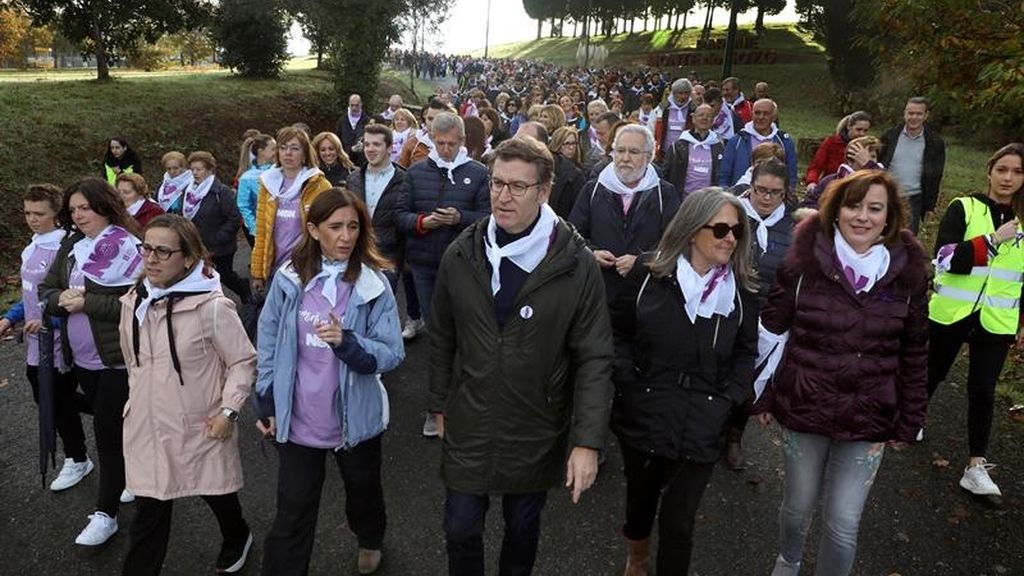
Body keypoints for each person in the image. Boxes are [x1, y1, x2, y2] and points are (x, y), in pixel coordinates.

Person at [428, 137, 613, 576]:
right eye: (496, 183)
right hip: (470, 417)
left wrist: (587, 441)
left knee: (522, 530)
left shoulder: (574, 263)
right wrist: (438, 403)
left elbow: (595, 356)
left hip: (535, 423)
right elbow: (441, 336)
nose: (502, 196)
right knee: (460, 529)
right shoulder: (462, 253)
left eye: (517, 186)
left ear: (544, 191)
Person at [754, 170, 928, 576]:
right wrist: (761, 395)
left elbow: (915, 352)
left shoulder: (908, 277)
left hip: (869, 417)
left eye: (874, 208)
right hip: (805, 407)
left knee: (843, 523)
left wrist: (911, 418)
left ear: (890, 218)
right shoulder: (802, 265)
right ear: (835, 211)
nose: (862, 217)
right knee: (797, 508)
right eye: (853, 205)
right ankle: (789, 559)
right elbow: (771, 331)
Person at [254, 189, 404, 576]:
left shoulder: (373, 285)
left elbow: (392, 352)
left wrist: (348, 343)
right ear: (313, 229)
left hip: (354, 421)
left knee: (363, 494)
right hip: (298, 420)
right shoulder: (288, 279)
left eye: (353, 226)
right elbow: (268, 339)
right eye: (335, 226)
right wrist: (266, 402)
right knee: (292, 512)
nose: (346, 236)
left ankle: (370, 536)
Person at [613, 188, 758, 575]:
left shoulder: (740, 291)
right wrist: (628, 382)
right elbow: (618, 333)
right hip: (645, 410)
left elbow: (747, 352)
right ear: (693, 230)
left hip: (704, 419)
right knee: (640, 503)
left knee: (679, 522)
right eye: (722, 229)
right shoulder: (649, 274)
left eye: (738, 231)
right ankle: (637, 558)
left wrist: (731, 396)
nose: (731, 238)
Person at [119, 214, 256, 575]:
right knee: (150, 512)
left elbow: (242, 361)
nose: (151, 258)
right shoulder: (134, 300)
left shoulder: (212, 307)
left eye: (163, 251)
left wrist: (229, 412)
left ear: (189, 258)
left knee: (214, 489)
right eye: (146, 248)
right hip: (148, 424)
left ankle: (238, 535)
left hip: (199, 424)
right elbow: (133, 360)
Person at [40, 177, 144, 546]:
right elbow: (46, 291)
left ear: (104, 205)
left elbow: (138, 304)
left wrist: (88, 303)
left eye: (85, 208)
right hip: (80, 358)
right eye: (73, 210)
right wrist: (61, 299)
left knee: (107, 436)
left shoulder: (129, 247)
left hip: (116, 359)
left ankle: (106, 515)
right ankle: (132, 474)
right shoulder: (71, 246)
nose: (79, 216)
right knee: (113, 423)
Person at [926, 142, 1024, 504]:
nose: (1008, 178)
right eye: (1002, 170)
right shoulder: (963, 207)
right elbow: (947, 259)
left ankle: (976, 467)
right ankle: (910, 421)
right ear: (989, 172)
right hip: (953, 312)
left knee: (983, 389)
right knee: (932, 372)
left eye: (1016, 172)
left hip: (997, 319)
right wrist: (992, 241)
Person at [395, 112, 490, 438]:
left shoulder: (479, 174)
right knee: (438, 336)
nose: (446, 149)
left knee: (465, 335)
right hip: (424, 265)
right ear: (432, 140)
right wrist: (423, 223)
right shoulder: (416, 172)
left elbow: (490, 219)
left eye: (452, 144)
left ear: (463, 142)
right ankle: (437, 408)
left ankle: (466, 403)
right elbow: (400, 216)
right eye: (440, 143)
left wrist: (459, 217)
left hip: (466, 268)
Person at [0, 184, 91, 493]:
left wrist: (49, 322)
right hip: (36, 343)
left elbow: (67, 298)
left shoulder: (64, 249)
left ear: (56, 213)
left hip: (59, 343)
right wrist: (10, 318)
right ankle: (114, 415)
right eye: (27, 213)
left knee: (57, 401)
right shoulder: (34, 245)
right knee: (49, 399)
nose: (32, 219)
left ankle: (77, 458)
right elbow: (30, 293)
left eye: (39, 213)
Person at [570, 124, 680, 338]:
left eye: (634, 152)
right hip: (600, 296)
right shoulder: (592, 189)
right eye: (620, 151)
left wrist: (640, 262)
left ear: (649, 157)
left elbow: (674, 242)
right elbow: (573, 234)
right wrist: (592, 253)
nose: (625, 158)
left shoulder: (664, 194)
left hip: (647, 297)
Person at [724, 160, 795, 471]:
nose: (766, 198)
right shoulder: (730, 214)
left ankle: (734, 437)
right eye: (761, 190)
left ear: (785, 194)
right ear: (750, 187)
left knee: (747, 377)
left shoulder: (793, 227)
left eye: (775, 193)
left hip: (766, 317)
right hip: (727, 307)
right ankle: (708, 427)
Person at [250, 126, 333, 296]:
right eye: (283, 147)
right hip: (275, 271)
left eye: (294, 148)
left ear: (304, 154)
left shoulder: (319, 185)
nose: (288, 153)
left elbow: (329, 230)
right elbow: (261, 233)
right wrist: (258, 273)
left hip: (306, 270)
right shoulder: (267, 184)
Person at [179, 151, 251, 305]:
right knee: (203, 277)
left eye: (199, 169)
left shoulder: (221, 192)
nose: (195, 173)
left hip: (220, 246)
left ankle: (243, 289)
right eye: (192, 170)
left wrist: (219, 237)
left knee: (225, 276)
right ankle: (212, 306)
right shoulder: (188, 192)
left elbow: (234, 218)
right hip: (197, 245)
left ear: (210, 170)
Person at [347, 124, 408, 297]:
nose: (370, 149)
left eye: (376, 144)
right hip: (356, 253)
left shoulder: (405, 180)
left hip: (388, 255)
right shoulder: (353, 179)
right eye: (367, 144)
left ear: (390, 148)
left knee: (382, 308)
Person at [880, 96, 946, 234]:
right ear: (904, 113)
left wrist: (930, 206)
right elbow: (878, 163)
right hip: (886, 194)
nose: (914, 117)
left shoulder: (935, 143)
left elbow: (936, 175)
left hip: (913, 198)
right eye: (910, 113)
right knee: (880, 232)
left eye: (918, 114)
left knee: (906, 238)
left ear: (926, 115)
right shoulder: (889, 136)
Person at [719, 99, 797, 189]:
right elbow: (724, 175)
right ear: (752, 114)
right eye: (757, 113)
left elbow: (791, 176)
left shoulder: (784, 142)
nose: (761, 117)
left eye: (766, 113)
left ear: (774, 117)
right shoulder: (736, 141)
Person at [801, 136, 884, 209]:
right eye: (863, 157)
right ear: (850, 160)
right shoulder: (831, 180)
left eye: (873, 157)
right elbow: (809, 204)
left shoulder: (882, 182)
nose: (869, 160)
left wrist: (869, 165)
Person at [662, 103, 723, 199]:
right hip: (682, 201)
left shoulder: (719, 146)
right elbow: (665, 174)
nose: (704, 118)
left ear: (713, 121)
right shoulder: (678, 146)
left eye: (709, 116)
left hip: (709, 202)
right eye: (701, 115)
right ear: (693, 119)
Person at [805, 111, 872, 195]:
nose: (861, 134)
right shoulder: (831, 143)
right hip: (830, 188)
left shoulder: (867, 148)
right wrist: (811, 182)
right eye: (858, 129)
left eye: (865, 131)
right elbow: (816, 166)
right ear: (848, 127)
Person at [237, 134, 277, 246]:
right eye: (273, 149)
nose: (277, 152)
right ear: (261, 151)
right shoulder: (247, 178)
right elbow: (244, 206)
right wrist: (255, 229)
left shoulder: (282, 171)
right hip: (262, 230)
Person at [398, 99, 450, 168]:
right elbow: (401, 173)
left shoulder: (455, 147)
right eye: (430, 119)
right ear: (425, 119)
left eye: (438, 119)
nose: (433, 124)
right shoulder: (413, 144)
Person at [654, 78, 695, 160]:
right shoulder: (663, 107)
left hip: (685, 152)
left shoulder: (693, 108)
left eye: (686, 93)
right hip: (664, 151)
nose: (683, 96)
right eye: (680, 93)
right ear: (674, 93)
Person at [337, 94, 370, 164]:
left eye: (356, 105)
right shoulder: (342, 121)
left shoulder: (367, 121)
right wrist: (350, 150)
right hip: (345, 160)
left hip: (362, 161)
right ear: (349, 105)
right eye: (352, 105)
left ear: (361, 104)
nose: (354, 108)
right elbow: (338, 140)